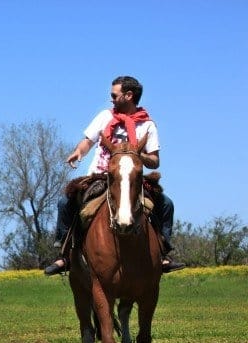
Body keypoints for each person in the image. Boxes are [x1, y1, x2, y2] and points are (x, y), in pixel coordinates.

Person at [44, 75, 185, 276]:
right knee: (64, 203)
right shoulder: (104, 117)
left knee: (166, 204)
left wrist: (138, 155)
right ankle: (65, 255)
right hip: (100, 176)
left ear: (128, 95)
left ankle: (162, 253)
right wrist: (79, 152)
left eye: (114, 95)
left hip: (131, 180)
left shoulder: (147, 126)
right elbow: (87, 141)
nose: (111, 99)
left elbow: (155, 161)